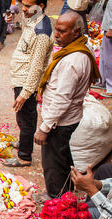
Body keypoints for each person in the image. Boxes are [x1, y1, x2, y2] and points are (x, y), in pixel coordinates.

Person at [33, 11, 101, 202]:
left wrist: (44, 128)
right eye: (56, 30)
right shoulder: (80, 48)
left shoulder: (72, 60)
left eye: (62, 31)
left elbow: (62, 99)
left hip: (60, 121)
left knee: (53, 160)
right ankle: (67, 189)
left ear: (77, 32)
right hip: (69, 117)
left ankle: (56, 197)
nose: (56, 35)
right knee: (61, 156)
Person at [2, 0, 53, 168]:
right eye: (23, 3)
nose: (23, 8)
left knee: (26, 117)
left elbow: (37, 66)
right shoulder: (33, 17)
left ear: (41, 5)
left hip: (26, 82)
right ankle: (24, 142)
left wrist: (26, 92)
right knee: (24, 116)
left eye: (28, 5)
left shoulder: (42, 33)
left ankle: (24, 156)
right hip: (21, 79)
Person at [98, 0, 112, 98]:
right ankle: (102, 80)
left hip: (110, 28)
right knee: (104, 54)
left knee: (109, 59)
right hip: (107, 26)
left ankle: (110, 87)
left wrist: (111, 28)